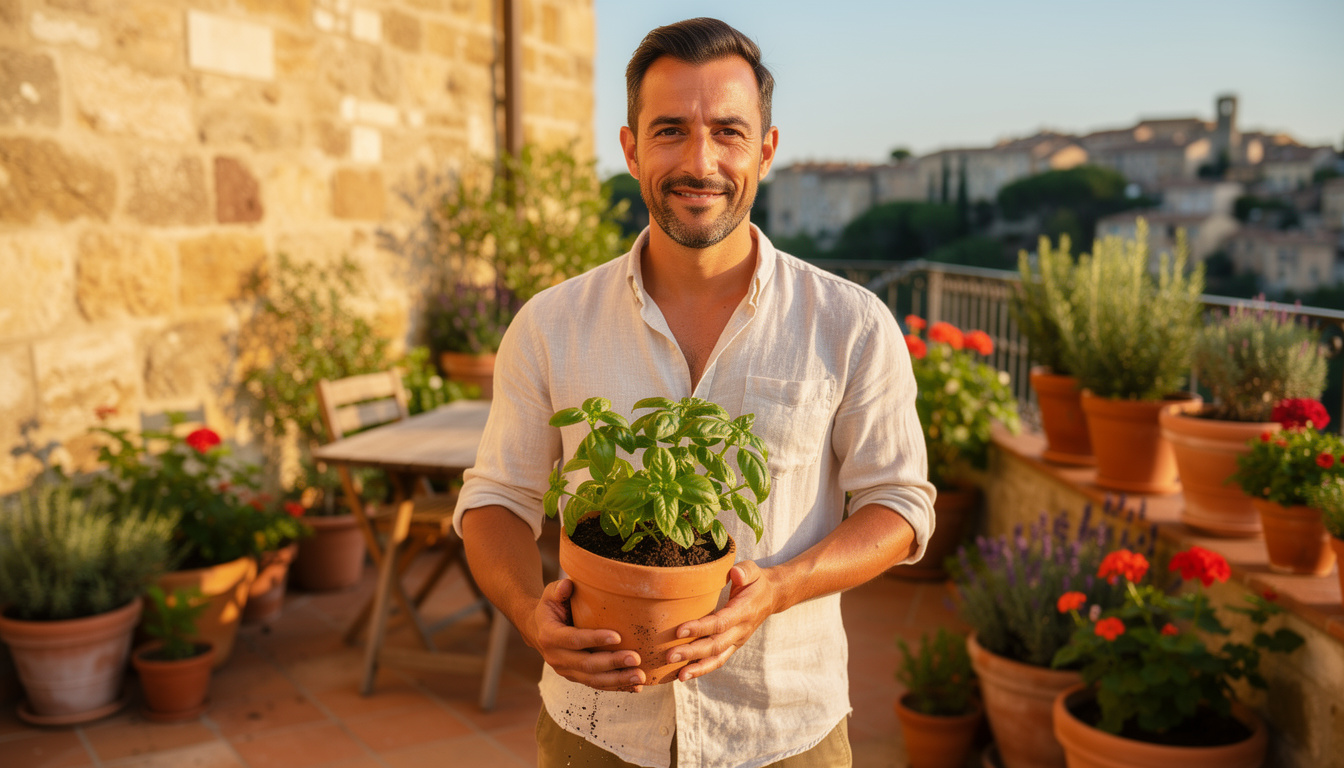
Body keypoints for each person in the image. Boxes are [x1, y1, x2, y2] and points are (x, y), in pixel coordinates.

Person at [454, 17, 935, 768]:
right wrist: (526, 612)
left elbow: (902, 506)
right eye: (671, 130)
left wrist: (776, 588)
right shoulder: (551, 324)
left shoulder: (850, 323)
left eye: (729, 132)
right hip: (596, 730)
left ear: (766, 151)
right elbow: (494, 501)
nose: (700, 160)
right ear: (631, 148)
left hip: (783, 731)